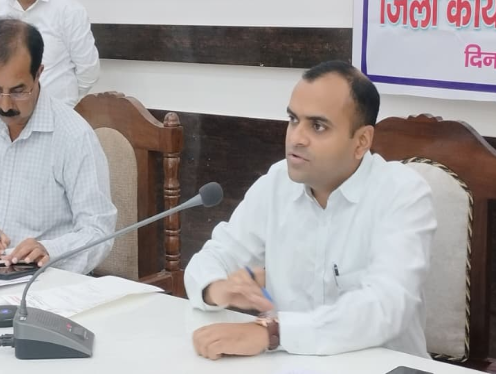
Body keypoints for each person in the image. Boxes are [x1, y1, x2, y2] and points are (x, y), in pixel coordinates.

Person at [184, 60, 437, 360]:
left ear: (361, 142)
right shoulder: (277, 183)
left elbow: (385, 306)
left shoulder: (403, 193)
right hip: (288, 363)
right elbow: (214, 256)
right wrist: (216, 288)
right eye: (293, 120)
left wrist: (273, 332)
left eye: (317, 126)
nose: (296, 138)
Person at [0, 18, 116, 274]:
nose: (5, 105)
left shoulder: (73, 135)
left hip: (49, 281)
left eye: (18, 91)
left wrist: (50, 250)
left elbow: (99, 231)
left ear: (38, 73)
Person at [0, 0, 100, 108]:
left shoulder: (69, 11)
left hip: (57, 111)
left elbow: (89, 70)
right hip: (9, 110)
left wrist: (65, 104)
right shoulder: (1, 7)